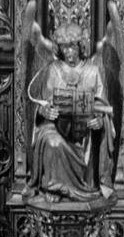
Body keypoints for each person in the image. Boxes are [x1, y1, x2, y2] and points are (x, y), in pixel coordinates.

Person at [27, 22, 115, 200]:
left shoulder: (92, 72)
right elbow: (42, 103)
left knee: (91, 141)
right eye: (64, 48)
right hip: (56, 128)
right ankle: (55, 188)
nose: (68, 52)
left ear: (80, 46)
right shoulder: (53, 70)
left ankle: (87, 186)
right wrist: (44, 111)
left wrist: (99, 119)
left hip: (84, 134)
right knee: (53, 143)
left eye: (72, 47)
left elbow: (103, 108)